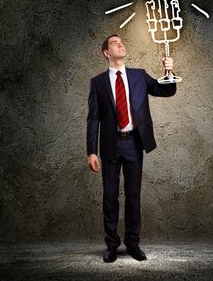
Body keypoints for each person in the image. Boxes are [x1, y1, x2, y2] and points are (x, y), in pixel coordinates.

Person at [86, 34, 177, 263]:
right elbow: (93, 119)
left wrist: (169, 72)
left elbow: (165, 91)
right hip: (109, 144)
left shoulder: (138, 75)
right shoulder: (97, 82)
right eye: (114, 43)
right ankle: (111, 247)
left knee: (133, 197)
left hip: (134, 143)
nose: (120, 44)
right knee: (109, 197)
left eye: (121, 41)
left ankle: (133, 245)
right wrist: (91, 151)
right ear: (107, 53)